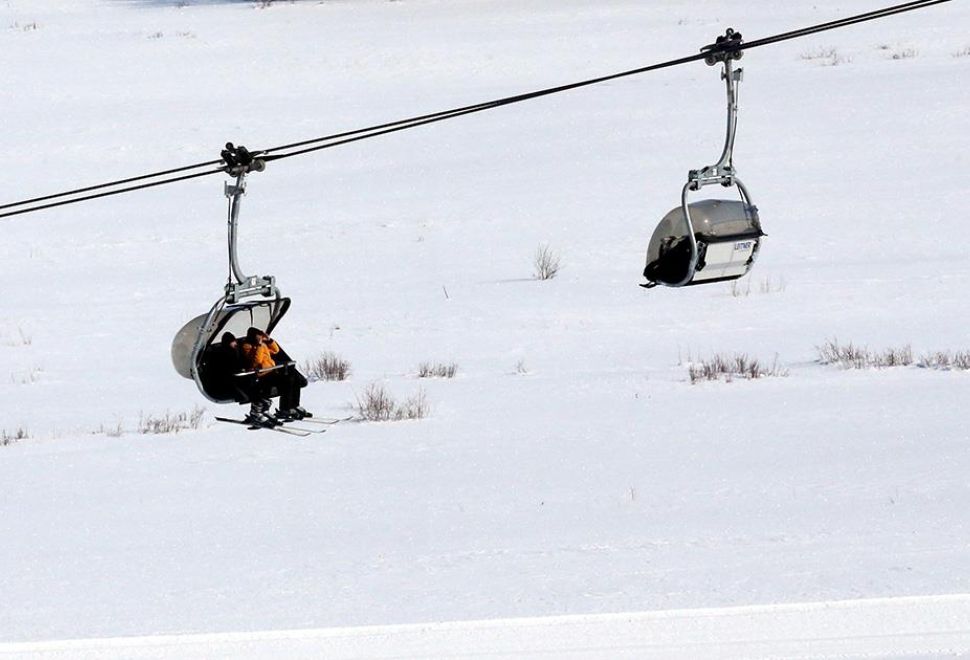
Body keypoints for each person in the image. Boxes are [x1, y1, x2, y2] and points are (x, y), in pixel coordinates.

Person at [239, 326, 310, 421]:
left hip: (271, 370)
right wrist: (259, 346)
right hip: (262, 374)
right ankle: (285, 408)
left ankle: (293, 405)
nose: (260, 338)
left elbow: (275, 350)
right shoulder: (247, 346)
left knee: (293, 377)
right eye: (258, 336)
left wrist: (269, 340)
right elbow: (256, 361)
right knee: (287, 380)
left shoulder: (262, 345)